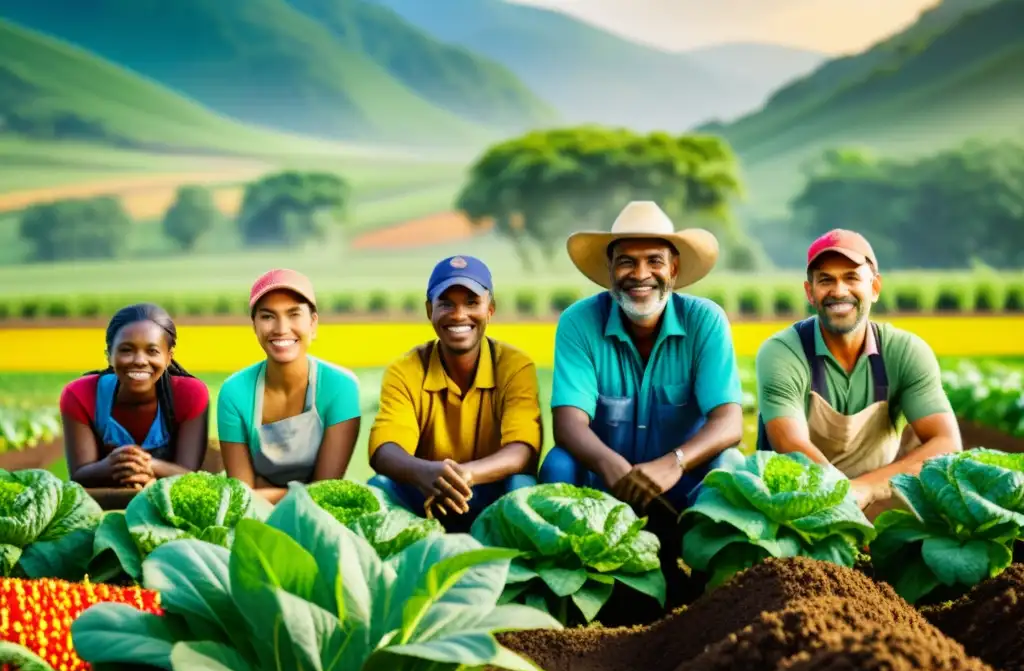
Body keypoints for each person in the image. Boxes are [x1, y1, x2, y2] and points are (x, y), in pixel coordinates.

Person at [539, 201, 745, 599]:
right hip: (605, 489)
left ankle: (713, 597)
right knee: (558, 464)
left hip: (683, 488)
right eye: (626, 262)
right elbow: (567, 424)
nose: (640, 275)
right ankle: (567, 593)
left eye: (654, 260)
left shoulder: (705, 320)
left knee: (729, 465)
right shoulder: (579, 322)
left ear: (675, 270)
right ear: (610, 270)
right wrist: (610, 465)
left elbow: (729, 422)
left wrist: (674, 464)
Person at [755, 229, 962, 518]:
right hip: (796, 507)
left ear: (875, 287)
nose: (839, 291)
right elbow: (791, 444)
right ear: (809, 292)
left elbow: (946, 441)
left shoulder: (904, 352)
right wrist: (843, 497)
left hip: (879, 501)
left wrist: (866, 488)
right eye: (826, 280)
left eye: (851, 277)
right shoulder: (783, 352)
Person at [367, 255, 542, 532]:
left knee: (522, 486)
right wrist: (424, 472)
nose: (459, 315)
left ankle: (514, 572)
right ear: (429, 310)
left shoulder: (515, 366)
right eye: (446, 303)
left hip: (489, 493)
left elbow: (522, 451)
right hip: (426, 493)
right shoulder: (405, 369)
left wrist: (465, 475)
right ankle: (392, 571)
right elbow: (384, 450)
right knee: (378, 488)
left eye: (472, 303)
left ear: (490, 309)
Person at [217, 269, 361, 503]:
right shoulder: (234, 392)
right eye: (267, 316)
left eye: (294, 314)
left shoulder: (341, 387)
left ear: (313, 323)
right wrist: (300, 491)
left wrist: (263, 490)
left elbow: (325, 494)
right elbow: (241, 499)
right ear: (254, 325)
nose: (281, 328)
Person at [59, 303, 210, 490]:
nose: (139, 361)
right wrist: (113, 464)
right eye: (126, 350)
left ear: (168, 357)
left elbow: (190, 476)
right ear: (109, 355)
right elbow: (80, 475)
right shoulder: (81, 395)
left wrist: (147, 465)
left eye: (152, 351)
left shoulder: (190, 394)